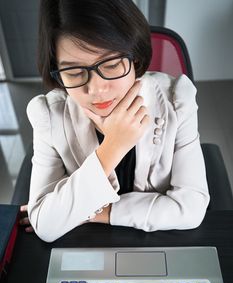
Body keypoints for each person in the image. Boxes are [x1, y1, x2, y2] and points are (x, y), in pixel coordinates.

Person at [20, 0, 209, 242]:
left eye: (110, 65)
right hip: (87, 246)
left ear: (136, 60)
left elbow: (191, 209)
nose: (97, 89)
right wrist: (114, 146)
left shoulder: (176, 100)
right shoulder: (48, 115)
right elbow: (45, 225)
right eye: (75, 72)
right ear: (56, 71)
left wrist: (100, 211)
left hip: (157, 243)